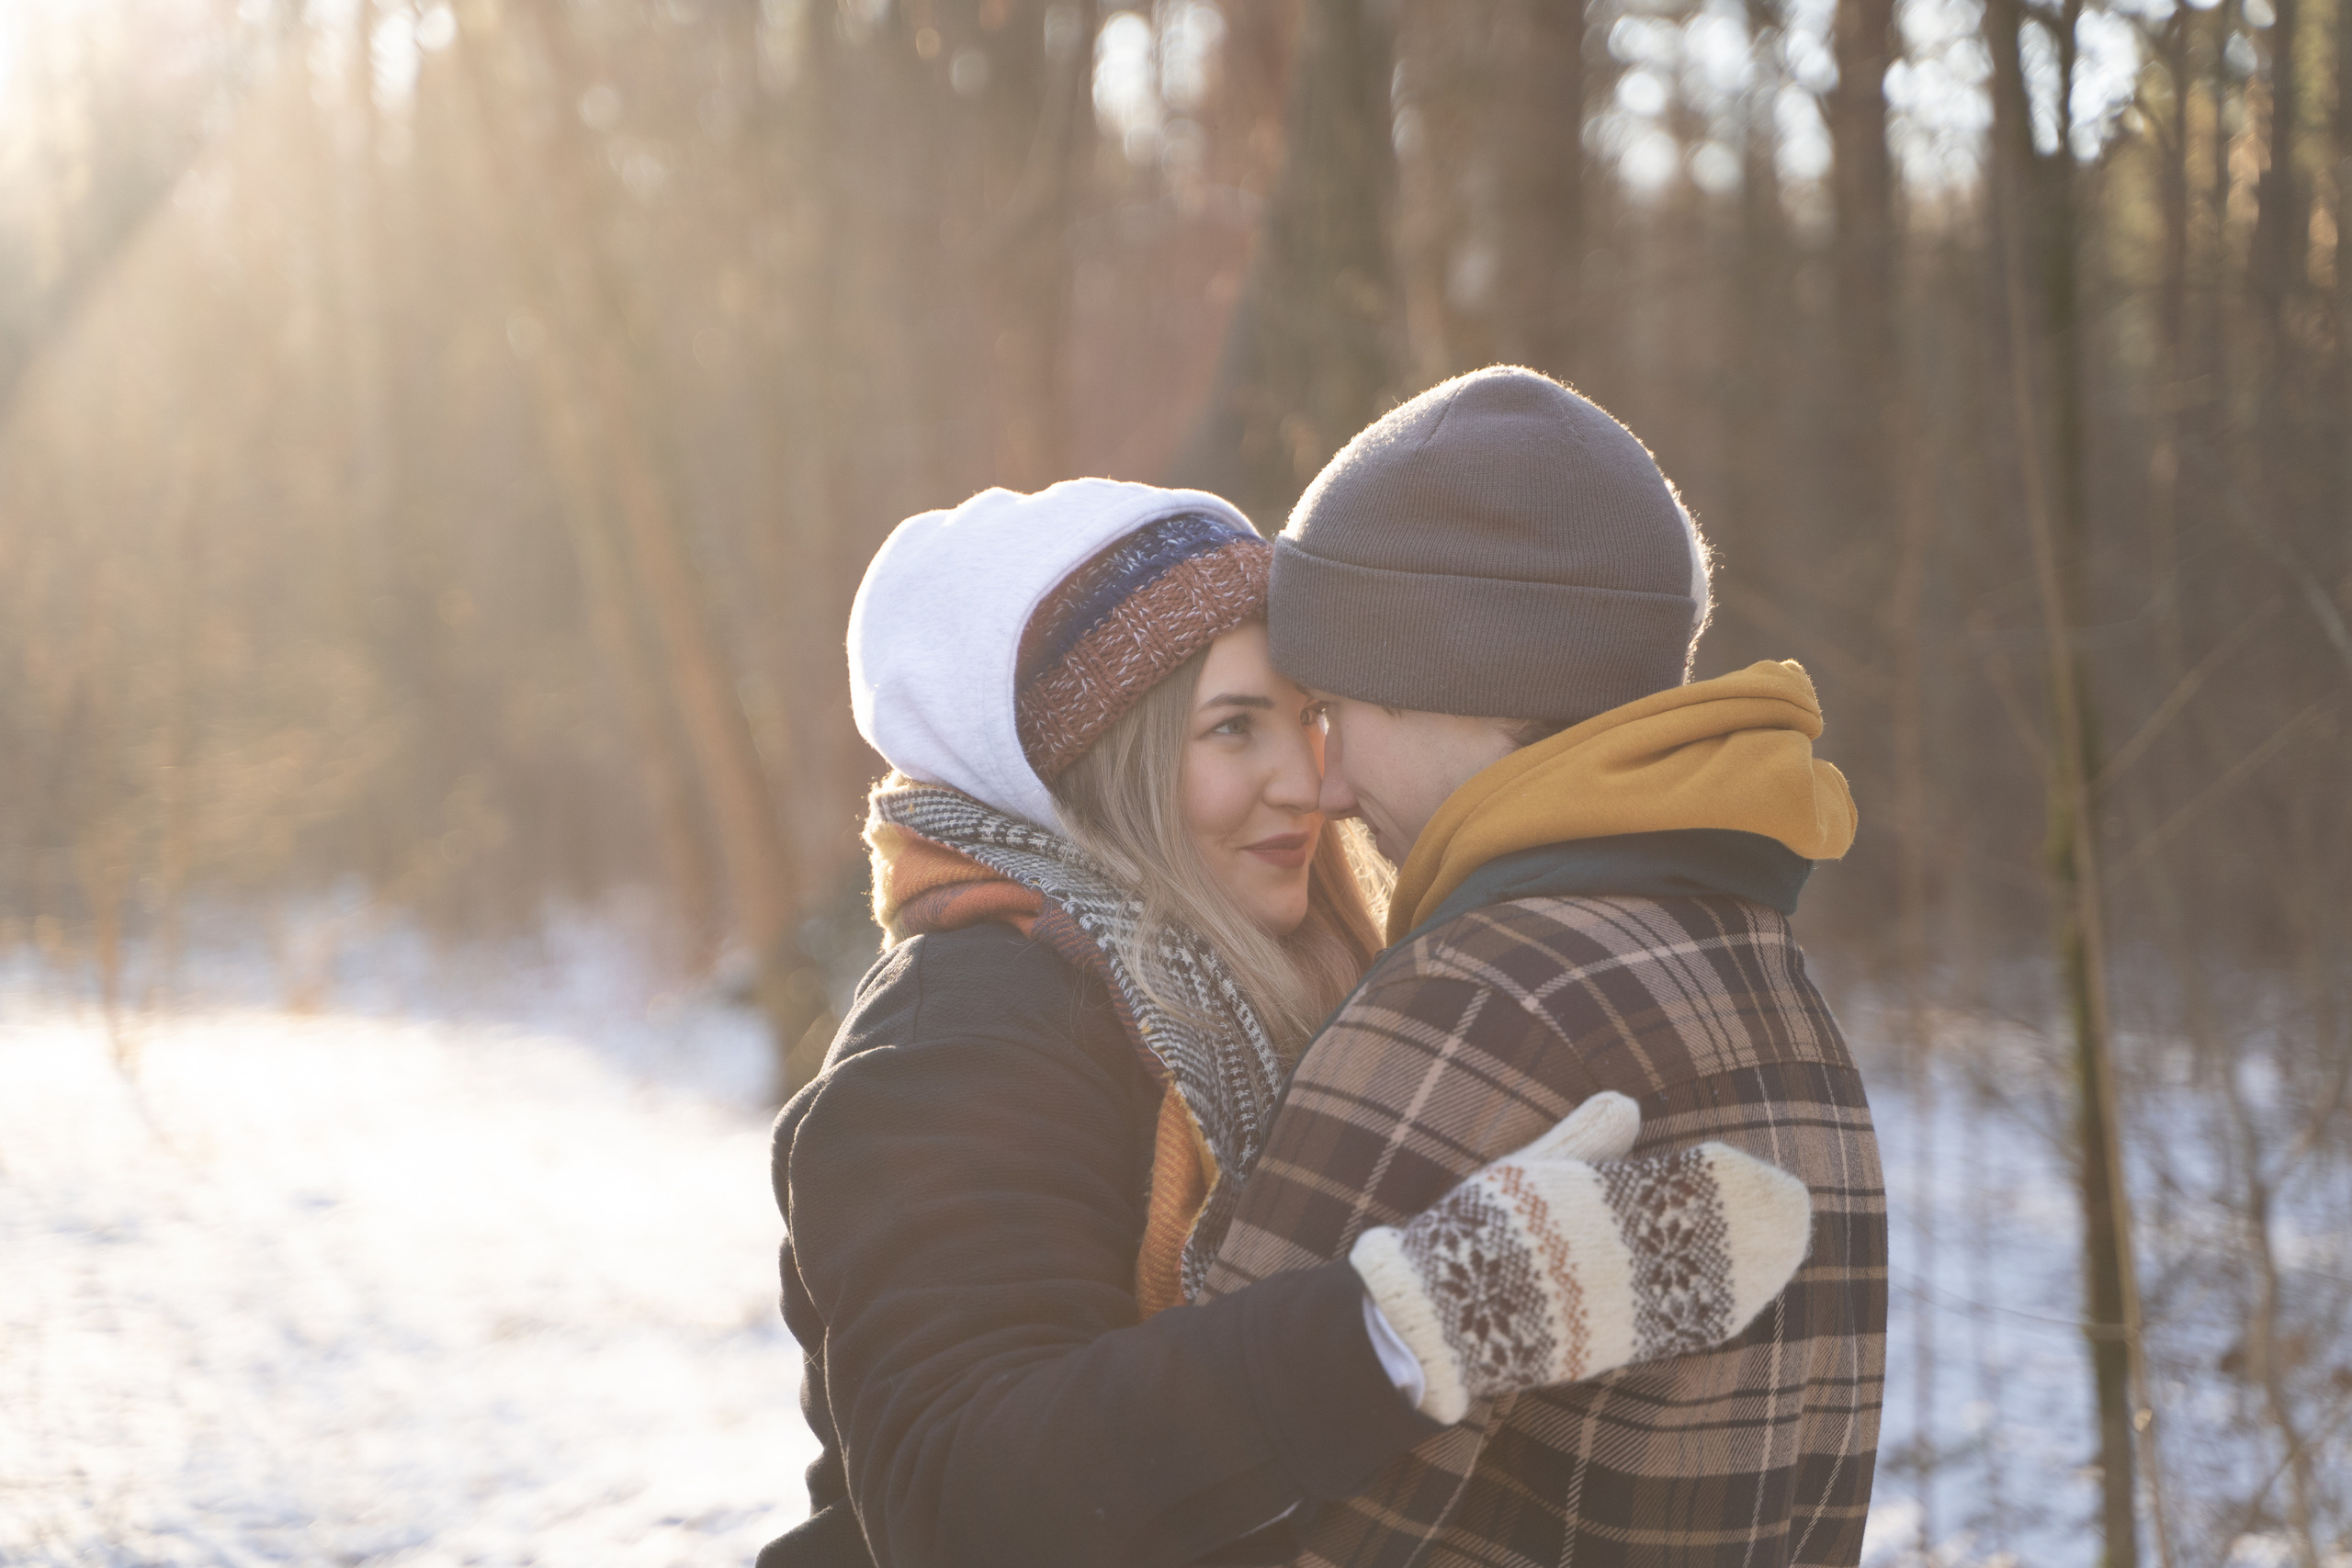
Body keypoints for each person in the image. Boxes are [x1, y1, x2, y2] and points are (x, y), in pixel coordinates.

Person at [759, 479, 1815, 1568]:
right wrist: (1424, 1319)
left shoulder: (1285, 982)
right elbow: (961, 1502)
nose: (1308, 784)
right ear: (1091, 769)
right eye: (1231, 729)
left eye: (1310, 717)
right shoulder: (959, 1037)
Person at [1191, 366, 1888, 1566]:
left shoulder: (1479, 1002)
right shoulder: (1771, 987)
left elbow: (1215, 1505)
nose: (1333, 787)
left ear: (1466, 687)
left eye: (1338, 709)